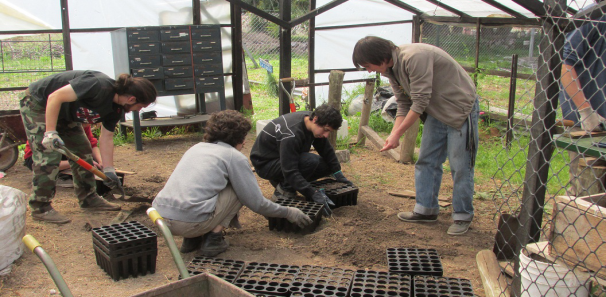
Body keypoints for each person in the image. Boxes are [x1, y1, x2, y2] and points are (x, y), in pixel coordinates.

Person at [352, 36, 479, 235]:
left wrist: (397, 135)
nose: (369, 70)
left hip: (459, 109)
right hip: (437, 111)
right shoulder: (390, 70)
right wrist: (394, 134)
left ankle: (462, 215)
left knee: (460, 165)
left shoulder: (414, 57)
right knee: (426, 160)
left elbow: (419, 103)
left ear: (379, 56)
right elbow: (403, 103)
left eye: (368, 65)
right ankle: (426, 210)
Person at [151, 110, 312, 256]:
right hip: (191, 222)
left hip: (161, 218)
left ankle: (192, 240)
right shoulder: (232, 156)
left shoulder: (196, 148)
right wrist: (289, 212)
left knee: (199, 189)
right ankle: (213, 238)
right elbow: (256, 203)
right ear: (240, 138)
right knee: (238, 189)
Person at [20, 70, 157, 224]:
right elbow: (55, 97)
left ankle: (88, 198)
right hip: (38, 102)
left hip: (65, 113)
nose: (138, 111)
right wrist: (50, 132)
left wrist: (109, 170)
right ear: (131, 99)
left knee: (83, 151)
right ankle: (40, 207)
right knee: (49, 156)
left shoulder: (116, 108)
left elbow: (106, 137)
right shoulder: (97, 85)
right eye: (140, 106)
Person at [250, 104, 353, 217]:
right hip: (265, 164)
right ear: (315, 119)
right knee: (310, 161)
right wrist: (312, 193)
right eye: (326, 130)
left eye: (329, 132)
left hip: (282, 159)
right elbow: (290, 170)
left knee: (326, 166)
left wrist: (338, 173)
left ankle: (287, 181)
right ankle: (283, 191)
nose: (326, 135)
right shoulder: (291, 133)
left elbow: (326, 149)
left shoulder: (312, 122)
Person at [559, 13, 606, 196]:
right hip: (588, 126)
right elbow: (565, 66)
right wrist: (586, 111)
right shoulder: (594, 17)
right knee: (585, 190)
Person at [23, 124, 102, 187]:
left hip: (65, 153)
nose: (88, 125)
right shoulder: (51, 126)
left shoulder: (83, 123)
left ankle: (67, 171)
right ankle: (57, 176)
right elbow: (47, 162)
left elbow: (92, 145)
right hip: (38, 158)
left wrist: (101, 162)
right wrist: (83, 162)